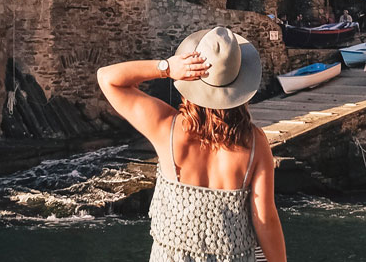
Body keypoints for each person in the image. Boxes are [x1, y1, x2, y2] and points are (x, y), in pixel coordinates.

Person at [97, 26, 286, 262]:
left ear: (191, 79)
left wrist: (167, 67)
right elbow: (265, 219)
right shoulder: (255, 143)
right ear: (241, 87)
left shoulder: (166, 127)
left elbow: (107, 78)